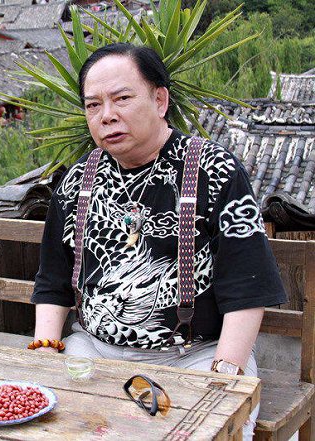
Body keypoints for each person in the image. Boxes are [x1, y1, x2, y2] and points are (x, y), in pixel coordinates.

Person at [30, 43, 287, 439]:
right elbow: (54, 279)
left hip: (194, 356)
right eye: (93, 105)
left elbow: (247, 289)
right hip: (93, 352)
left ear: (160, 99)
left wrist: (224, 375)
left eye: (122, 98)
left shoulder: (215, 171)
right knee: (49, 424)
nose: (107, 115)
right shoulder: (77, 181)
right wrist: (46, 353)